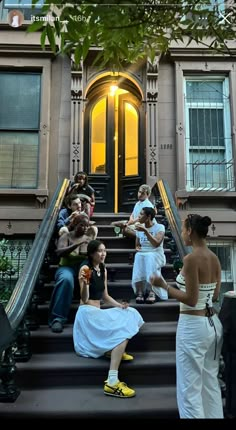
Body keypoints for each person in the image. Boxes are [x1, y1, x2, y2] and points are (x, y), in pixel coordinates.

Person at [150, 214, 223, 419]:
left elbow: (191, 299)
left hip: (193, 326)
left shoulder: (191, 259)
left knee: (189, 389)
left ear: (190, 231)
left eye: (183, 229)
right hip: (213, 326)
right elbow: (215, 295)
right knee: (210, 384)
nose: (181, 233)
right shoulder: (214, 258)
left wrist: (163, 285)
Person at [73, 240, 144, 398]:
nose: (103, 253)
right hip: (87, 314)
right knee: (122, 332)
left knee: (130, 312)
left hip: (97, 312)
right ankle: (112, 381)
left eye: (104, 250)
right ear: (92, 253)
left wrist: (120, 306)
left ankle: (113, 350)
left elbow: (105, 296)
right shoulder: (85, 268)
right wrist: (85, 284)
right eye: (99, 251)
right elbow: (84, 299)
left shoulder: (103, 268)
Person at [49, 213, 96, 333]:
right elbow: (59, 252)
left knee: (87, 272)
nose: (85, 228)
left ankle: (91, 317)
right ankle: (58, 319)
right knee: (66, 279)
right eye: (82, 225)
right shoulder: (66, 236)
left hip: (82, 267)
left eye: (86, 226)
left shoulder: (88, 239)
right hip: (67, 267)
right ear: (75, 224)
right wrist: (77, 245)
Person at [132, 207, 167, 304]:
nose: (138, 216)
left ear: (148, 217)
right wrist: (137, 248)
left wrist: (146, 231)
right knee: (138, 256)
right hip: (143, 252)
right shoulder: (139, 228)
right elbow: (138, 244)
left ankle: (152, 291)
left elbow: (156, 243)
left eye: (141, 214)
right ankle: (140, 291)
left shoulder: (160, 227)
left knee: (149, 257)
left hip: (156, 253)